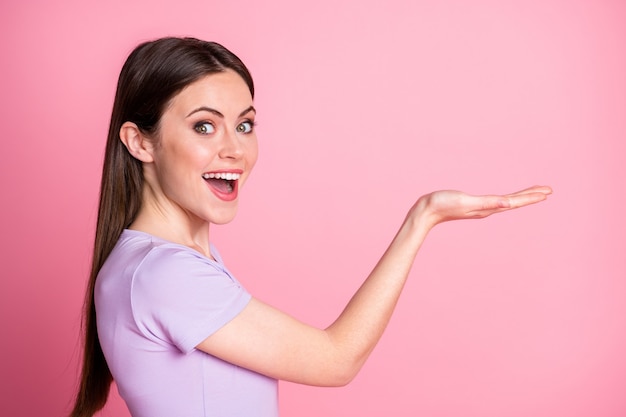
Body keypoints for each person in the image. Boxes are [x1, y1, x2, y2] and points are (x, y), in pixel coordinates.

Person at [70, 36, 552, 417]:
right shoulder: (166, 275)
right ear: (140, 142)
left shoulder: (154, 263)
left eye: (244, 124)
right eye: (203, 125)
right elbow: (335, 360)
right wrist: (422, 218)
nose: (235, 149)